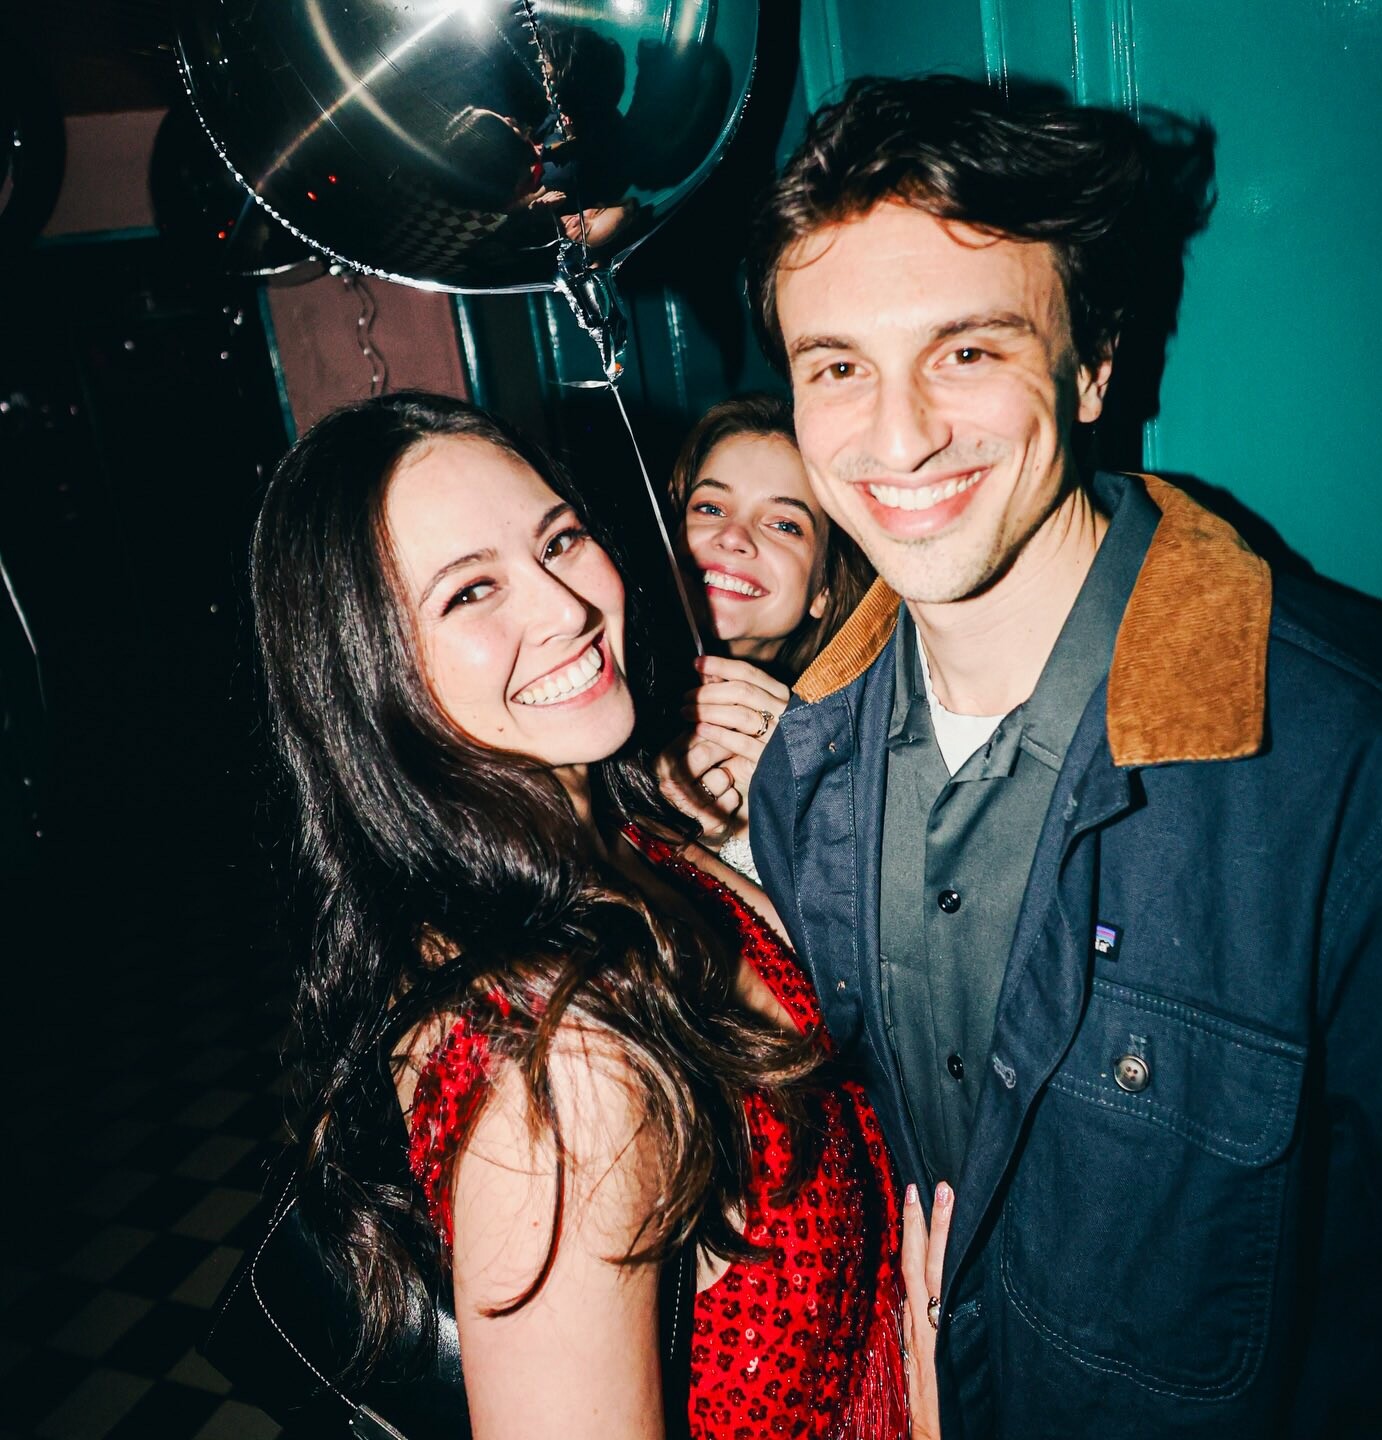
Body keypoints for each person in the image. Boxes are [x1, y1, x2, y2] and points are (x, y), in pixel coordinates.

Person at [744, 73, 1382, 1436]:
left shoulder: (1366, 770)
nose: (897, 437)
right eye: (838, 367)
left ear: (1095, 363)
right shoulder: (805, 769)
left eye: (967, 352)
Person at [246, 390, 925, 1439]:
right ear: (368, 672)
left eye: (559, 539)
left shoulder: (628, 842)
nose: (567, 607)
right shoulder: (560, 1065)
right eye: (472, 590)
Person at [659, 394, 873, 880]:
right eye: (710, 507)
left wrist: (786, 819)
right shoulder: (603, 707)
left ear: (823, 588)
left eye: (784, 524)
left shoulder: (865, 748)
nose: (734, 536)